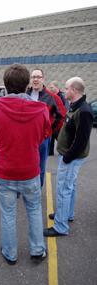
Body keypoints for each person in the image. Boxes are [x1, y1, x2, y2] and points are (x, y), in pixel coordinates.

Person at [0, 64, 51, 264]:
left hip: (4, 171)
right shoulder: (41, 110)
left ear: (6, 85)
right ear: (27, 84)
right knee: (34, 210)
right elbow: (43, 136)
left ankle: (10, 253)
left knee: (7, 214)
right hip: (30, 171)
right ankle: (37, 250)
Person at [44, 77, 93, 237]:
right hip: (69, 156)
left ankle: (60, 226)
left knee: (64, 190)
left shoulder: (84, 111)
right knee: (69, 188)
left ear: (74, 90)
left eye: (66, 89)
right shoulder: (75, 107)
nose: (64, 91)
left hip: (71, 157)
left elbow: (82, 140)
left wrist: (67, 157)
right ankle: (66, 215)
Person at [27, 68, 65, 187]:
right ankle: (26, 188)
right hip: (26, 138)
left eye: (38, 77)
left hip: (43, 140)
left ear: (43, 79)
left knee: (40, 166)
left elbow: (61, 116)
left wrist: (49, 131)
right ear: (30, 80)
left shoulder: (52, 98)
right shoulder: (25, 95)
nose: (36, 79)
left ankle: (38, 189)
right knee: (26, 164)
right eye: (33, 77)